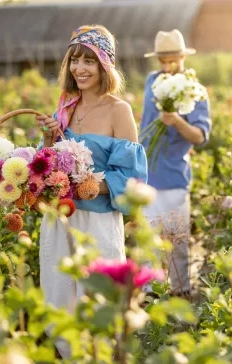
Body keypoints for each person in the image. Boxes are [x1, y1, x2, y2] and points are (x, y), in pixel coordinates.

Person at [35, 24, 147, 358]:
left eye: (89, 61)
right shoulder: (64, 109)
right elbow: (45, 164)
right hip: (61, 223)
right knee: (60, 300)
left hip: (97, 224)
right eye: (74, 60)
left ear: (105, 65)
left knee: (100, 302)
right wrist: (47, 142)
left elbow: (133, 176)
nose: (80, 69)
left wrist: (91, 186)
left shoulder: (118, 110)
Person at [140, 29, 212, 296]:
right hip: (147, 173)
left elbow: (200, 137)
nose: (168, 66)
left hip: (173, 177)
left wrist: (176, 120)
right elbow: (145, 123)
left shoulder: (196, 91)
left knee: (176, 243)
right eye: (163, 61)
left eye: (173, 60)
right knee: (147, 242)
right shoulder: (151, 81)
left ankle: (180, 294)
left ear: (183, 57)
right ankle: (148, 295)